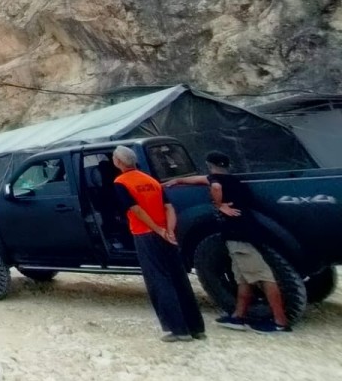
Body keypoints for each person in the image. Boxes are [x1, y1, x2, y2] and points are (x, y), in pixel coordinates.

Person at [166, 151, 291, 333]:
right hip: (245, 231)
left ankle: (280, 322)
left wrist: (219, 205)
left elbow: (215, 186)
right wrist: (178, 181)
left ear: (209, 164)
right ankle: (238, 317)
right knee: (242, 279)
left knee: (263, 277)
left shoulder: (216, 182)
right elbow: (202, 180)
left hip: (238, 235)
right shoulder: (234, 181)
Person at [112, 145, 205, 342]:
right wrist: (169, 230)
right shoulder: (151, 180)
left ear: (118, 162)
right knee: (179, 278)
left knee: (159, 280)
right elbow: (169, 207)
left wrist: (156, 229)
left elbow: (135, 210)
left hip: (146, 235)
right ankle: (196, 327)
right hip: (166, 235)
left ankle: (178, 330)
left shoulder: (121, 182)